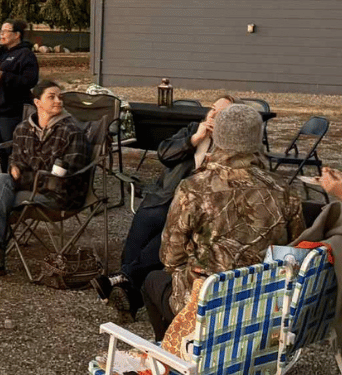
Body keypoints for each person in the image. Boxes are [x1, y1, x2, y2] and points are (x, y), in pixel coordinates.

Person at [142, 103, 305, 340]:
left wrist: (191, 266)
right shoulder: (284, 191)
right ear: (257, 139)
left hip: (208, 306)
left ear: (217, 136)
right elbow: (295, 252)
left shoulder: (194, 188)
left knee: (152, 281)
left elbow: (169, 258)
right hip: (262, 308)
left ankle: (174, 353)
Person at [94, 95, 239, 317]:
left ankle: (122, 281)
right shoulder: (192, 129)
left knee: (163, 241)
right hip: (163, 197)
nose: (213, 114)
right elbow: (164, 154)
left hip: (194, 210)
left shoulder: (230, 144)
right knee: (139, 237)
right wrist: (193, 140)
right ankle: (130, 292)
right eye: (212, 109)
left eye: (222, 112)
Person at [0, 80, 90, 276]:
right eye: (51, 97)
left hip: (61, 197)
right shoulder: (23, 129)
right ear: (37, 102)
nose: (58, 101)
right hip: (31, 190)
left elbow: (62, 179)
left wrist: (23, 176)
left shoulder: (72, 132)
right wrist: (16, 167)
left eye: (60, 97)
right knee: (1, 179)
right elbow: (16, 161)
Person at [0, 18, 39, 171]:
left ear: (17, 35)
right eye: (0, 31)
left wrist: (5, 76)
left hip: (11, 111)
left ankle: (16, 181)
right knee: (0, 151)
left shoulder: (25, 55)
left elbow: (30, 80)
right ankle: (5, 178)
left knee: (12, 151)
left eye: (6, 31)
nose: (2, 34)